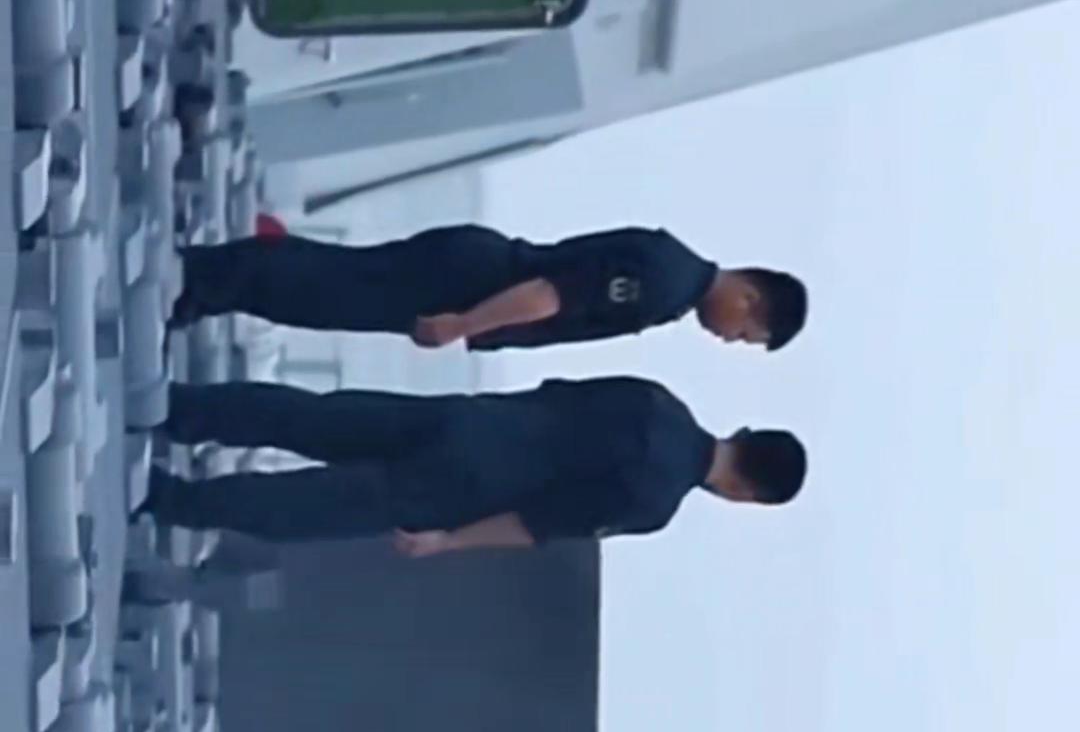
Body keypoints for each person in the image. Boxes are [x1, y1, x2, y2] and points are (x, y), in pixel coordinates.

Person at [141, 376, 808, 546]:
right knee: (307, 505)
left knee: (312, 418)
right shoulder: (653, 502)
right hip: (463, 487)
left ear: (746, 433)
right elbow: (539, 521)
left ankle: (175, 408)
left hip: (467, 419)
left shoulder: (658, 401)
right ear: (747, 494)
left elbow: (554, 394)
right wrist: (448, 542)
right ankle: (170, 498)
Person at [171, 222, 807, 353]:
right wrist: (464, 324)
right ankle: (197, 281)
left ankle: (204, 282)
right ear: (750, 298)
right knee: (326, 291)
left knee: (334, 280)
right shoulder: (664, 284)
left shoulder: (673, 267)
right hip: (472, 284)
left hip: (472, 266)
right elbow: (554, 294)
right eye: (746, 333)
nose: (731, 338)